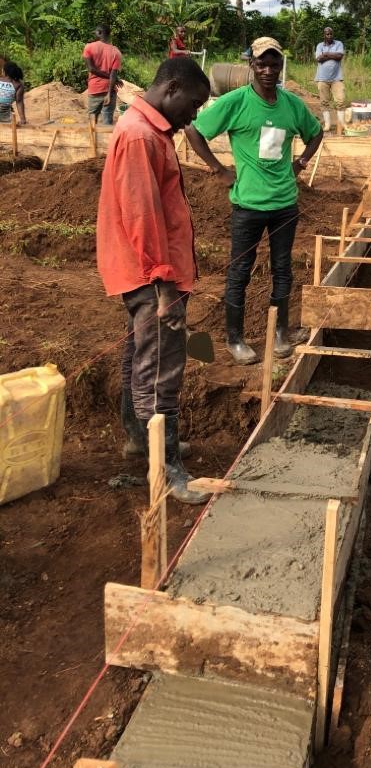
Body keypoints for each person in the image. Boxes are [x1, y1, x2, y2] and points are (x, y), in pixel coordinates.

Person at [96, 58, 212, 505]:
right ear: (173, 88)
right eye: (194, 104)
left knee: (139, 356)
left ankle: (139, 440)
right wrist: (164, 285)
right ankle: (167, 468)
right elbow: (143, 215)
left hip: (142, 268)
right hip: (152, 274)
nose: (195, 115)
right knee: (161, 367)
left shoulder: (145, 129)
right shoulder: (141, 136)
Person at [185, 37, 324, 364]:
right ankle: (235, 339)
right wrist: (218, 169)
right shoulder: (235, 102)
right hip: (248, 205)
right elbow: (193, 130)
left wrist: (300, 163)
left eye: (273, 64)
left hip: (285, 204)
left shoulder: (291, 105)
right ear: (251, 64)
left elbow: (315, 133)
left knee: (282, 269)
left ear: (280, 67)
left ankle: (280, 334)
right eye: (261, 63)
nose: (267, 70)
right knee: (240, 272)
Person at [83, 25, 122, 125]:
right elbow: (113, 74)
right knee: (107, 122)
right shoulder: (116, 52)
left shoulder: (89, 47)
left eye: (95, 32)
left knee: (92, 122)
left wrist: (112, 77)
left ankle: (93, 141)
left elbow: (91, 69)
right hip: (110, 91)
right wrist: (109, 93)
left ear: (100, 33)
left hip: (94, 89)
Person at [314, 25, 346, 132]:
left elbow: (339, 56)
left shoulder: (339, 43)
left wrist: (326, 54)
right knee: (324, 102)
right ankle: (327, 125)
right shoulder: (319, 45)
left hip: (337, 78)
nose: (329, 35)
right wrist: (332, 55)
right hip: (322, 78)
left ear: (333, 34)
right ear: (324, 35)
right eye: (327, 34)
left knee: (340, 101)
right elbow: (319, 59)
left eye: (331, 33)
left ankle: (341, 125)